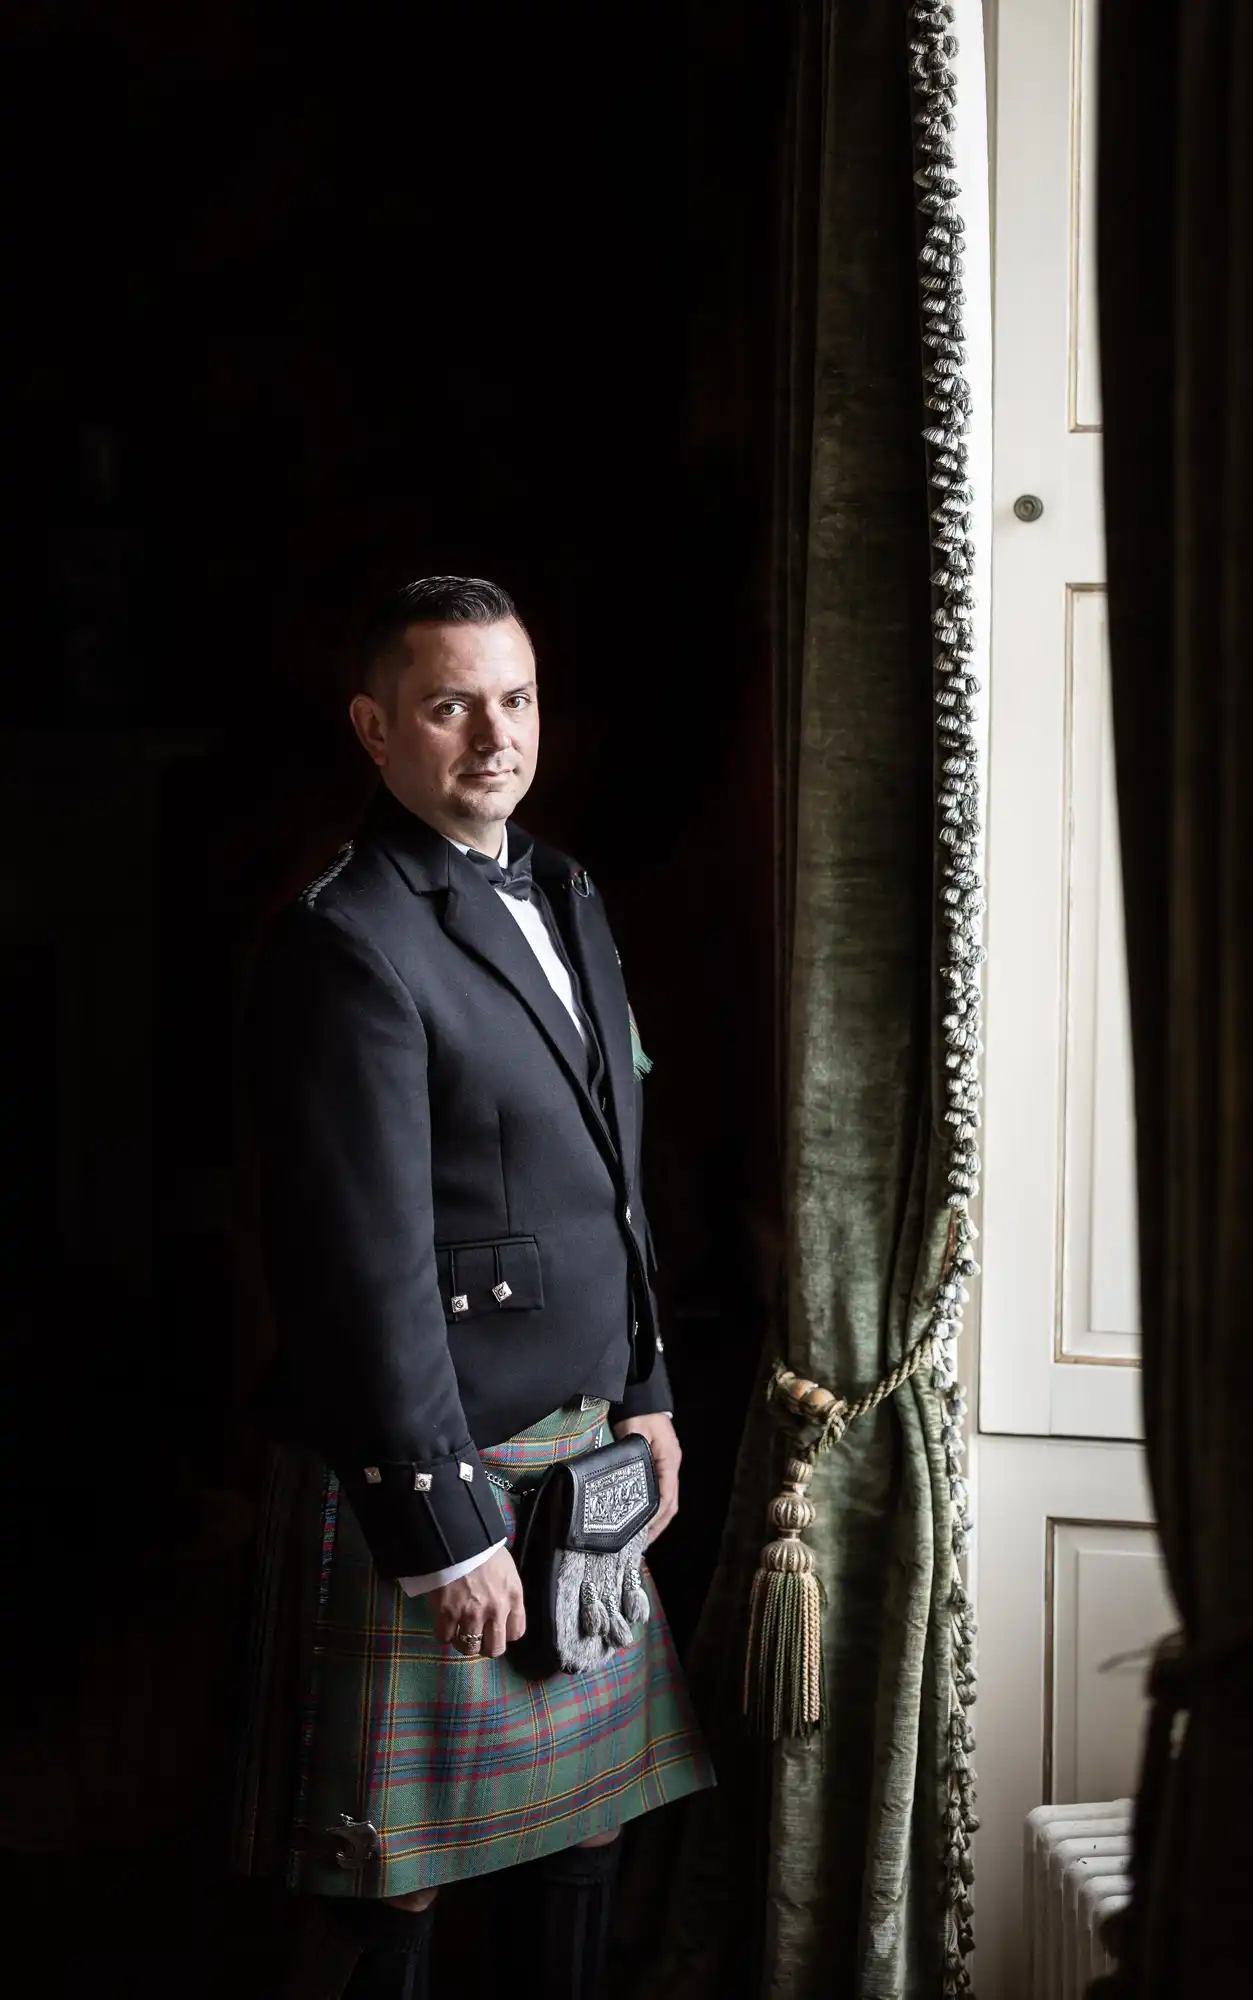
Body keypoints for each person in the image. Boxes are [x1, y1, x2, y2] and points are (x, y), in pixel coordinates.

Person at [233, 576, 713, 2000]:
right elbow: (356, 1260)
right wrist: (442, 1526)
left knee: (587, 1840)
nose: (492, 735)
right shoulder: (349, 937)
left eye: (516, 700)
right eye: (449, 706)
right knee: (397, 1884)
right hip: (442, 1470)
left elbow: (614, 1175)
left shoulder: (563, 889)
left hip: (583, 1451)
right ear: (378, 728)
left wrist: (647, 1390)